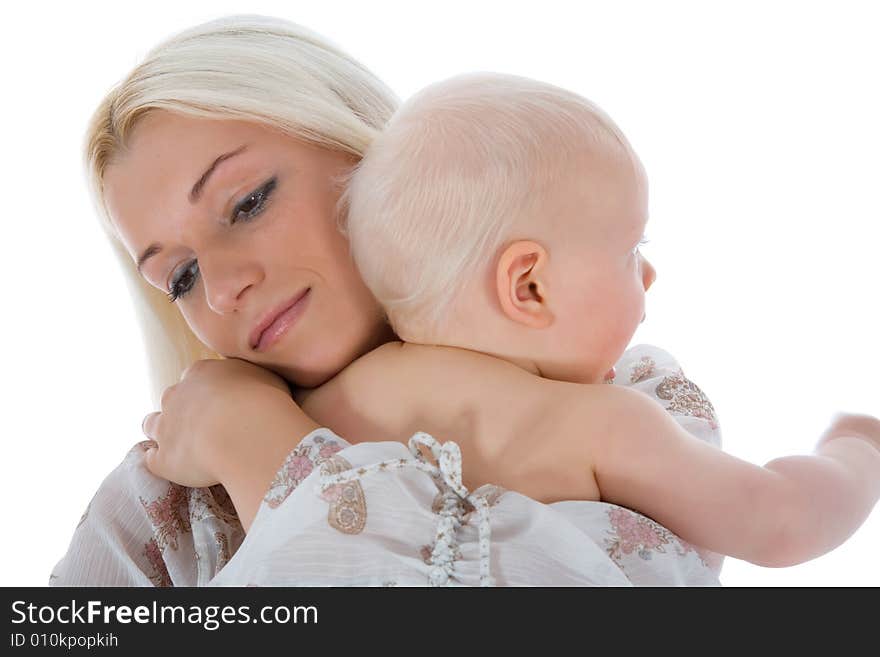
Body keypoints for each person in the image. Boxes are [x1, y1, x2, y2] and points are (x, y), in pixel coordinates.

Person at [50, 14, 725, 587]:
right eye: (181, 277)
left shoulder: (634, 408)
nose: (223, 288)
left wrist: (272, 461)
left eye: (248, 202)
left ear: (363, 151)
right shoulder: (158, 504)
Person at [139, 72, 880, 580]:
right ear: (527, 284)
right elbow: (782, 521)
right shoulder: (599, 423)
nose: (647, 278)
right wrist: (854, 448)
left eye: (249, 202)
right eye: (632, 251)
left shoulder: (297, 417)